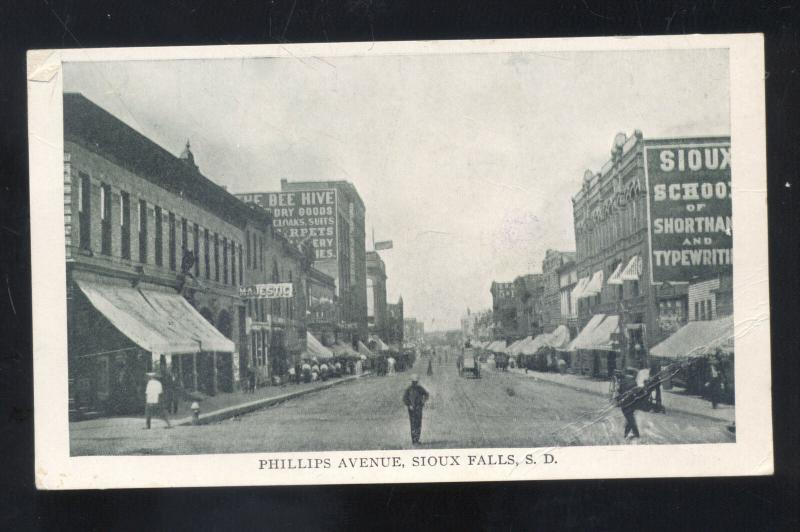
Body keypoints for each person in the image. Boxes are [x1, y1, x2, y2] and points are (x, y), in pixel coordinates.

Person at [402, 375, 429, 445]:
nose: (415, 383)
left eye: (416, 382)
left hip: (419, 408)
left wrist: (423, 401)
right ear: (412, 382)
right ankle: (414, 440)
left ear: (417, 382)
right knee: (413, 424)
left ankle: (417, 439)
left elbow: (426, 394)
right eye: (414, 382)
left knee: (418, 424)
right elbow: (405, 399)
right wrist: (409, 405)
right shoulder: (409, 389)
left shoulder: (420, 388)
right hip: (411, 409)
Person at [615, 369, 641, 440]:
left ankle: (636, 434)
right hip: (632, 403)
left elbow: (619, 392)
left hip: (625, 403)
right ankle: (626, 434)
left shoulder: (622, 381)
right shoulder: (634, 381)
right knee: (630, 418)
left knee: (630, 419)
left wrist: (617, 400)